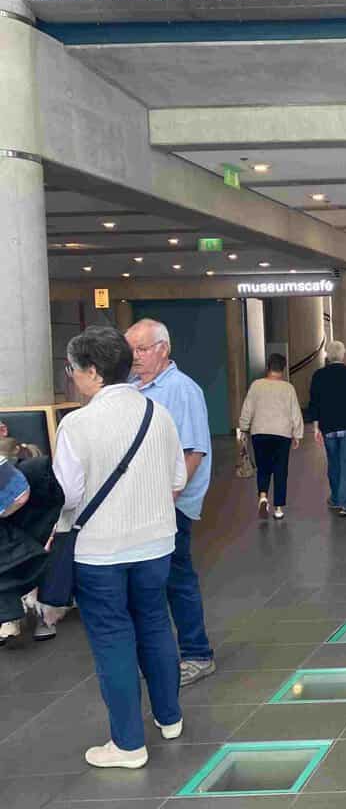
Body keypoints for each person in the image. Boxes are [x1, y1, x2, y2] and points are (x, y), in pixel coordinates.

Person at [54, 326, 187, 769]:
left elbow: (67, 496)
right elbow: (177, 480)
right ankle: (170, 718)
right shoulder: (158, 414)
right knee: (154, 623)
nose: (71, 376)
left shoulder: (77, 424)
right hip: (155, 545)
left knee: (113, 639)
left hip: (99, 553)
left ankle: (128, 744)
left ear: (92, 371)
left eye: (72, 368)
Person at [124, 318, 215, 689]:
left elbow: (194, 452)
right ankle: (155, 655)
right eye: (130, 350)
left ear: (163, 348)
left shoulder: (182, 390)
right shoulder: (129, 389)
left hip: (168, 505)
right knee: (145, 583)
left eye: (141, 349)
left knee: (177, 578)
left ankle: (196, 653)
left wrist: (169, 499)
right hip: (136, 504)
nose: (134, 357)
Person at [0, 438, 63, 644]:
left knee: (27, 561)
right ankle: (29, 616)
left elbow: (18, 492)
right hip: (27, 513)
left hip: (28, 514)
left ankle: (30, 616)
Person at [306, 340, 346, 518]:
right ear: (343, 355)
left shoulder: (319, 376)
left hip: (329, 428)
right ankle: (344, 503)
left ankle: (335, 498)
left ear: (327, 354)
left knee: (333, 462)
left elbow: (314, 403)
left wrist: (317, 426)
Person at [238, 354, 304, 520]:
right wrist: (297, 434)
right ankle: (279, 508)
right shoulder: (288, 388)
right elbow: (295, 412)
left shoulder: (256, 385)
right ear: (283, 369)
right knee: (281, 469)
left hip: (259, 433)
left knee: (263, 467)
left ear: (268, 367)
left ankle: (263, 496)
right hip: (282, 434)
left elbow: (248, 408)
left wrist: (244, 427)